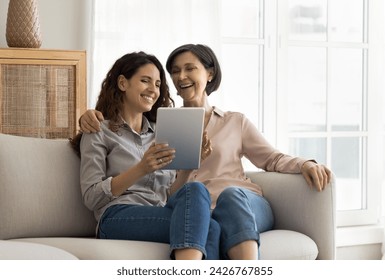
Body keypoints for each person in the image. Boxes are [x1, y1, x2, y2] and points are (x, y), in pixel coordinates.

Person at [79, 44, 332, 260]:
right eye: (175, 71)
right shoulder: (166, 127)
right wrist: (87, 116)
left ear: (209, 74)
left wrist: (303, 163)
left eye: (190, 68)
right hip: (165, 211)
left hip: (233, 203)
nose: (180, 76)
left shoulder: (227, 122)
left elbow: (271, 158)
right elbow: (100, 192)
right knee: (202, 212)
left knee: (223, 202)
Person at [70, 51, 220, 260]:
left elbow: (168, 196)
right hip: (116, 217)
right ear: (123, 83)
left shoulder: (162, 133)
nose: (153, 90)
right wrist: (142, 168)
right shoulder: (98, 131)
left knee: (197, 192)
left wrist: (190, 166)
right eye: (145, 81)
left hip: (157, 211)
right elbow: (92, 197)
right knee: (208, 227)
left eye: (158, 84)